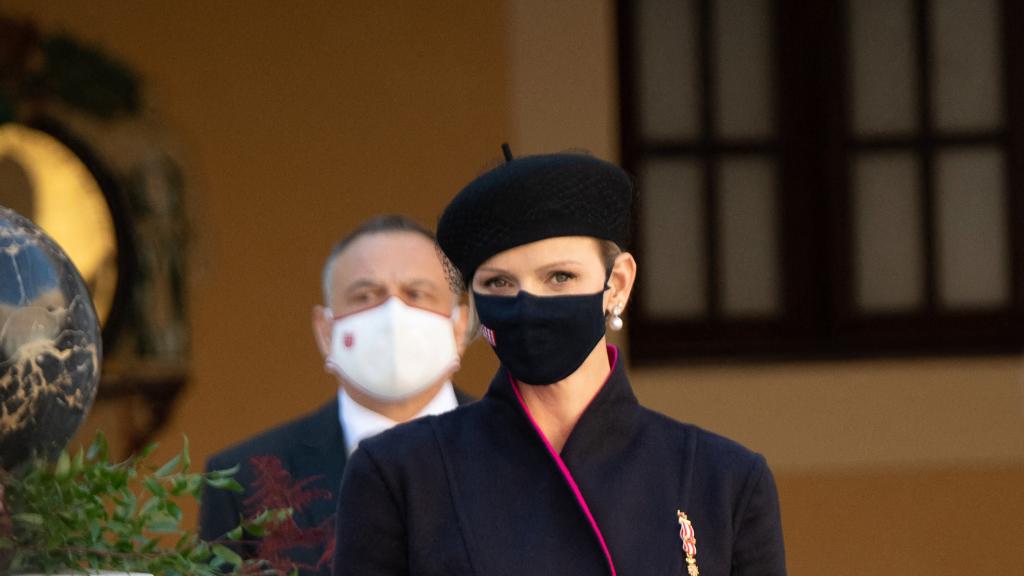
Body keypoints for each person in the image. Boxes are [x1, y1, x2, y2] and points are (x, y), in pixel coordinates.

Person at [332, 151, 787, 575]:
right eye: (500, 283)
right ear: (474, 301)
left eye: (560, 277)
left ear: (618, 284)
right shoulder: (398, 474)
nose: (529, 304)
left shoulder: (724, 479)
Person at [200, 215, 474, 575]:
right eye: (365, 296)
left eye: (417, 294)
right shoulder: (242, 478)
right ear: (326, 330)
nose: (393, 312)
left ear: (460, 325)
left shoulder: (523, 452)